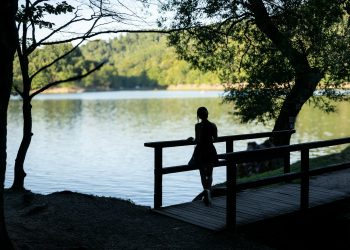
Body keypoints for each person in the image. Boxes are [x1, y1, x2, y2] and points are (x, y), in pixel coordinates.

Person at [188, 107, 218, 206]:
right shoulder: (213, 125)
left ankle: (206, 192)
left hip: (200, 151)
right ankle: (208, 192)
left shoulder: (198, 126)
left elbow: (197, 140)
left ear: (199, 116)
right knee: (210, 173)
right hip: (210, 150)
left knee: (202, 173)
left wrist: (191, 140)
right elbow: (216, 139)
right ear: (207, 114)